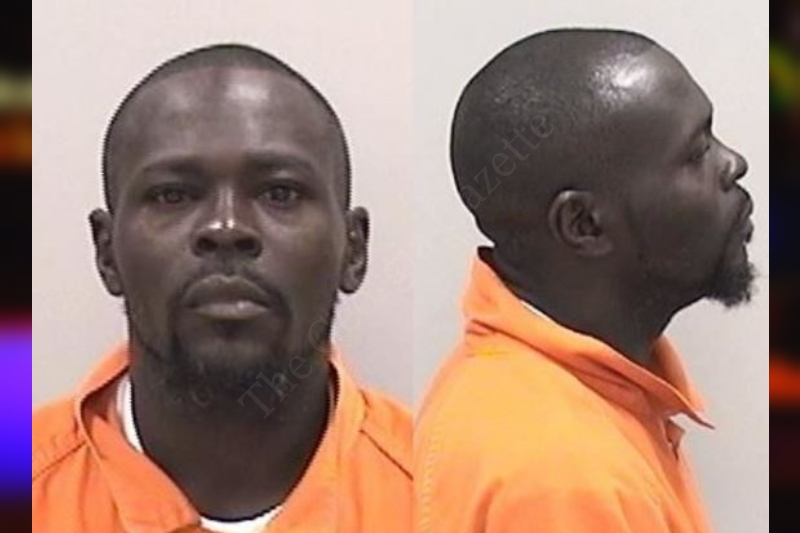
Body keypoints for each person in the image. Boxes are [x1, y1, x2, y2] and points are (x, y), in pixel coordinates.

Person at [33, 44, 411, 533]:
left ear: (353, 250)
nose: (226, 227)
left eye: (280, 192)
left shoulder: (447, 494)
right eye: (172, 194)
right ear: (107, 253)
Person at [414, 28, 755, 532]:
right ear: (585, 224)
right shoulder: (561, 474)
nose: (733, 164)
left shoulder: (561, 393)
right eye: (696, 151)